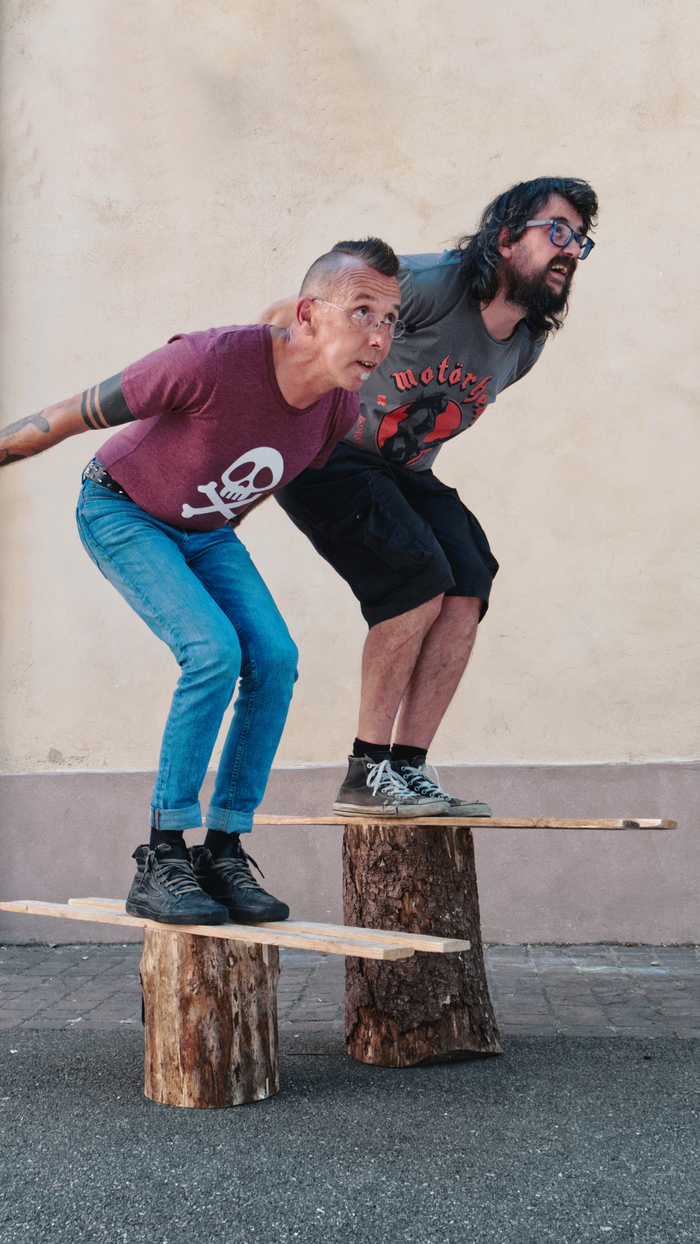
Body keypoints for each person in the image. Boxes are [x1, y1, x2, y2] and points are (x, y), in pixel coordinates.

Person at [0, 238, 411, 924]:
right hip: (122, 509)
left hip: (205, 535)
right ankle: (163, 854)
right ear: (311, 315)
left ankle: (221, 851)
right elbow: (65, 416)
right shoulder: (207, 360)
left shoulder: (336, 410)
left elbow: (253, 473)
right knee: (212, 652)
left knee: (275, 659)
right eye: (363, 311)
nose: (380, 335)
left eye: (391, 320)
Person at [263, 177, 599, 817]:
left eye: (580, 241)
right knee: (416, 574)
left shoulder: (526, 341)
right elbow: (294, 312)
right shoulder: (424, 286)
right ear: (504, 238)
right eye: (556, 231)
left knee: (468, 578)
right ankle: (365, 772)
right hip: (326, 450)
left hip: (398, 468)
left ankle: (408, 769)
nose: (570, 250)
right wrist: (257, 401)